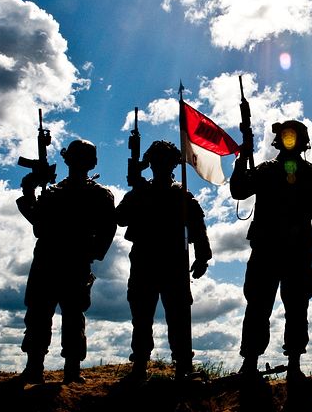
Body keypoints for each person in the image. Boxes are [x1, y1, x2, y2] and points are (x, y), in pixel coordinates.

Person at [230, 120, 312, 381]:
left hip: (296, 251)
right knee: (258, 305)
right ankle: (250, 362)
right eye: (285, 136)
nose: (289, 141)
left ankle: (294, 364)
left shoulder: (311, 173)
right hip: (267, 249)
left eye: (292, 136)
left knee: (296, 307)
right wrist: (243, 155)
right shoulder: (265, 170)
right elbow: (239, 189)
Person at [17, 139, 116, 384]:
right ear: (68, 160)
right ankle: (35, 366)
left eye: (84, 158)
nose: (80, 162)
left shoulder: (99, 195)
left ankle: (71, 369)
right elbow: (38, 224)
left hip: (74, 261)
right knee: (40, 315)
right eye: (77, 157)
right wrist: (29, 188)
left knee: (72, 316)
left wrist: (92, 252)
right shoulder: (53, 193)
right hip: (48, 259)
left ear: (91, 163)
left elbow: (108, 228)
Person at [116, 140, 212, 382]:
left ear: (172, 164)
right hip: (145, 261)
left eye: (164, 161)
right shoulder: (140, 192)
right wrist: (137, 187)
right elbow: (120, 218)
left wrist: (202, 257)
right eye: (156, 161)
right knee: (142, 315)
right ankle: (139, 364)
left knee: (178, 317)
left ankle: (182, 366)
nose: (160, 166)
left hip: (173, 263)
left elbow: (198, 229)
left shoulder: (182, 195)